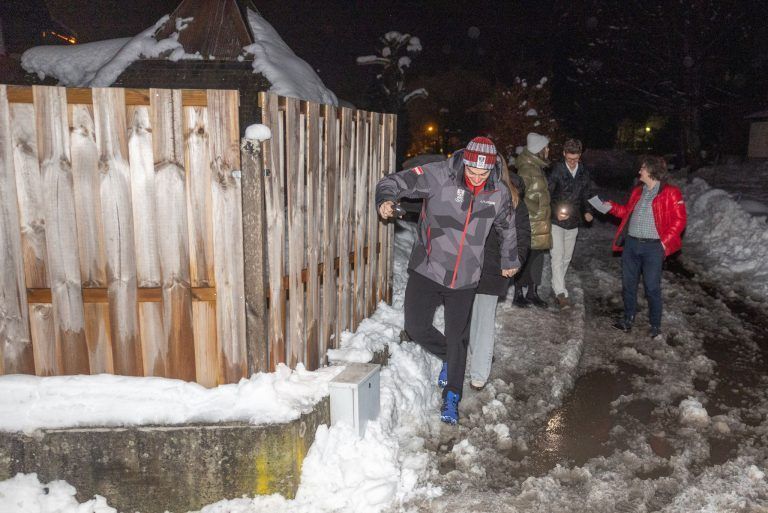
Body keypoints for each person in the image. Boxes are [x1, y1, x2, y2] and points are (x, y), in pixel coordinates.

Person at [376, 136, 520, 425]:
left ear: (492, 167)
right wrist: (386, 200)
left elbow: (507, 226)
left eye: (483, 172)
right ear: (464, 160)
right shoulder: (438, 174)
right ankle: (450, 357)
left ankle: (452, 395)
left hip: (466, 277)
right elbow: (392, 182)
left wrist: (509, 259)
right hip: (428, 268)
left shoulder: (498, 192)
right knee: (415, 327)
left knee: (458, 338)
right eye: (472, 170)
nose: (477, 177)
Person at [605, 155, 687, 338]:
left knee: (651, 287)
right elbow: (627, 213)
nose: (639, 171)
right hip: (631, 245)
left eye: (642, 168)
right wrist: (611, 207)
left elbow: (680, 220)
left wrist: (663, 243)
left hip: (653, 248)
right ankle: (628, 319)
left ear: (651, 171)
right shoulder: (637, 191)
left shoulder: (671, 193)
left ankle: (655, 325)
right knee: (628, 285)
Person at [467, 158, 530, 390]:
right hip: (468, 265)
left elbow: (523, 233)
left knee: (484, 319)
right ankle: (480, 354)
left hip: (493, 267)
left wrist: (515, 260)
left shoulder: (513, 197)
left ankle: (479, 373)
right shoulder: (471, 192)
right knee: (470, 318)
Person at [547, 138, 594, 309]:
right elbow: (547, 195)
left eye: (576, 158)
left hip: (573, 221)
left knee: (566, 257)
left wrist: (588, 211)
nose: (573, 162)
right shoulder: (557, 171)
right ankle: (560, 292)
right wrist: (554, 212)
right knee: (557, 256)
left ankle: (555, 282)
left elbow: (586, 194)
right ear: (564, 154)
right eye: (569, 158)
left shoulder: (583, 172)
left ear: (580, 156)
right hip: (556, 222)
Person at [513, 132, 552, 308]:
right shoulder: (527, 169)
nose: (548, 150)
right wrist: (535, 208)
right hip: (530, 222)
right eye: (546, 148)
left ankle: (532, 292)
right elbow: (518, 196)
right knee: (525, 257)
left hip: (539, 222)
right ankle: (518, 293)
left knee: (536, 259)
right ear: (539, 150)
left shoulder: (537, 167)